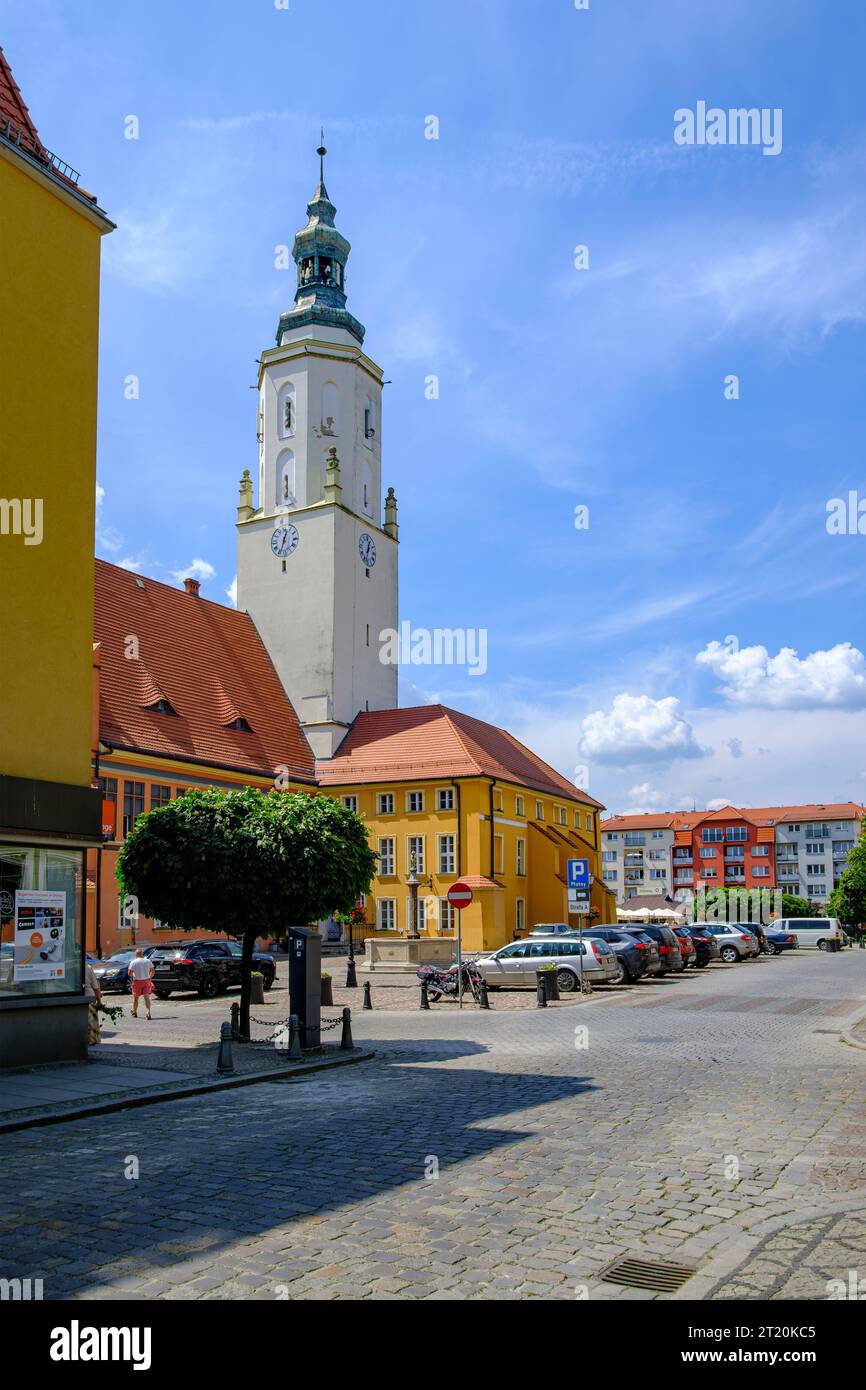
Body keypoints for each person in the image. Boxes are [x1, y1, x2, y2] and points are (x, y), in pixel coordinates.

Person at [127, 948, 155, 1020]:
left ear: (136, 954)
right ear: (142, 954)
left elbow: (129, 973)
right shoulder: (148, 961)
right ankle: (148, 1012)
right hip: (146, 981)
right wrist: (149, 977)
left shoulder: (133, 962)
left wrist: (133, 975)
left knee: (136, 998)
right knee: (146, 997)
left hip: (137, 981)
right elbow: (153, 971)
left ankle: (135, 1012)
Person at [85, 962, 102, 1044]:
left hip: (79, 997)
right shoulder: (88, 967)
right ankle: (93, 1040)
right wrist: (99, 1001)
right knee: (92, 1021)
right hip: (89, 996)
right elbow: (96, 987)